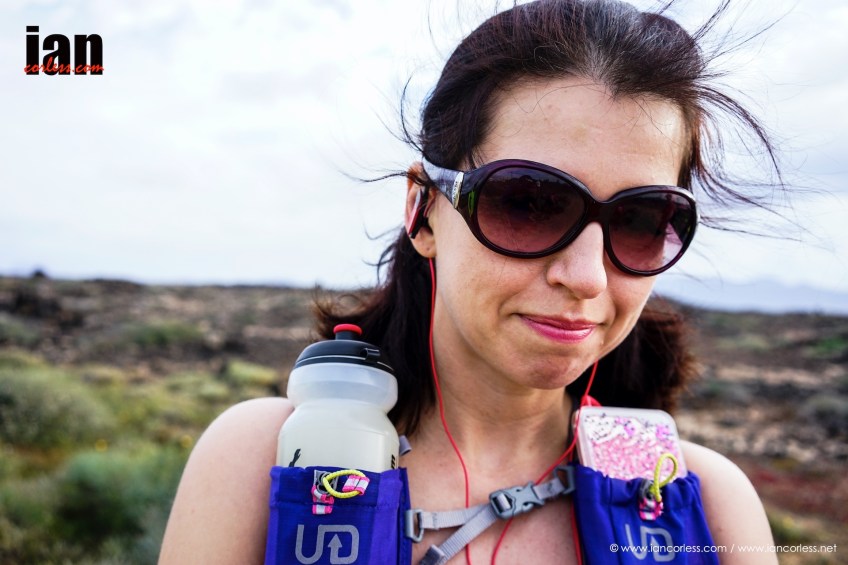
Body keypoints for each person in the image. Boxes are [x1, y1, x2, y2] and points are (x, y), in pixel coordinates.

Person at [160, 0, 781, 563]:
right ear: (422, 209)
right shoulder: (267, 462)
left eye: (642, 219)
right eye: (529, 203)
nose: (588, 277)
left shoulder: (705, 506)